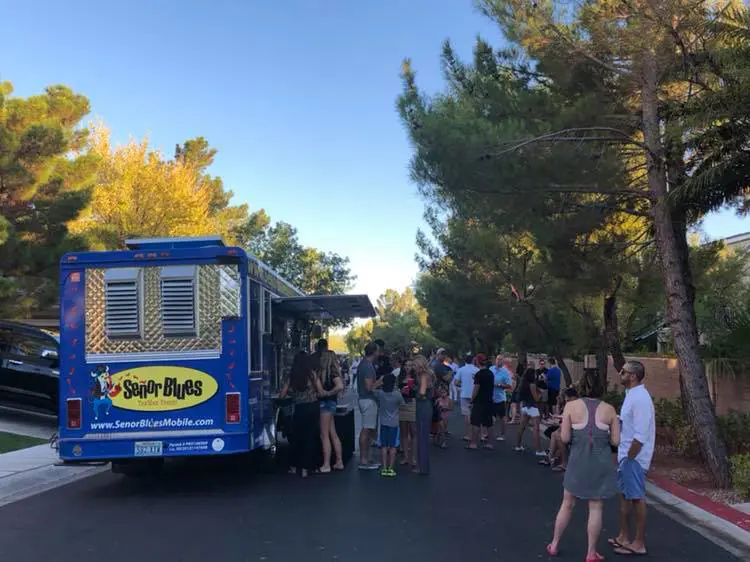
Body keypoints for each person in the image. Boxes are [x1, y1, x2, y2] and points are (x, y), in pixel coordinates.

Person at [547, 384, 620, 560]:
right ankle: (591, 552)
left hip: (577, 461)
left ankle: (554, 544)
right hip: (600, 463)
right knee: (596, 506)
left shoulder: (571, 407)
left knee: (567, 503)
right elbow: (616, 441)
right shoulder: (610, 410)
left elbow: (565, 438)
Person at [610, 361, 655, 557]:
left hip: (634, 458)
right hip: (626, 456)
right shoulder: (631, 395)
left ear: (633, 376)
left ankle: (638, 543)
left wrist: (629, 458)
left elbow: (640, 436)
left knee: (636, 498)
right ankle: (623, 536)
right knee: (625, 497)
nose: (620, 373)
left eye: (623, 371)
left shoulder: (641, 399)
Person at [279, 351, 323, 478]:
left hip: (299, 409)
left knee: (297, 438)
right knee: (310, 438)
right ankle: (305, 469)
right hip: (313, 407)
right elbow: (320, 391)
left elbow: (282, 394)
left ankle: (294, 467)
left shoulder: (292, 375)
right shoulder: (312, 374)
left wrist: (291, 394)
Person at [317, 348, 345, 473]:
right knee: (332, 433)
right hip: (331, 403)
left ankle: (326, 464)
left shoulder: (329, 373)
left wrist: (328, 393)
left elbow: (340, 386)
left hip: (325, 404)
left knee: (324, 435)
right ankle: (339, 461)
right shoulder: (333, 371)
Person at [539, 387, 579, 471]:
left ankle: (564, 463)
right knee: (555, 433)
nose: (567, 402)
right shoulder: (571, 405)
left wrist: (559, 422)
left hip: (578, 432)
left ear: (573, 397)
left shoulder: (578, 406)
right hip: (572, 429)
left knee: (559, 434)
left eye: (568, 400)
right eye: (566, 400)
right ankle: (551, 457)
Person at [374, 373, 405, 477]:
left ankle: (384, 467)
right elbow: (403, 404)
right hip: (394, 423)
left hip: (383, 423)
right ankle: (390, 468)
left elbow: (371, 389)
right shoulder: (397, 395)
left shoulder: (380, 393)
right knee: (393, 446)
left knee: (384, 445)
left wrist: (379, 382)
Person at [356, 342, 380, 470]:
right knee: (366, 429)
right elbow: (369, 387)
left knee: (368, 430)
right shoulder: (367, 366)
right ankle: (363, 460)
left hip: (365, 399)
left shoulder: (364, 364)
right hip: (368, 400)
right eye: (378, 351)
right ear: (374, 352)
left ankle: (366, 458)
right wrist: (381, 381)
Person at [514, 360, 545, 457]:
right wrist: (540, 395)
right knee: (536, 429)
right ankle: (538, 450)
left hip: (525, 406)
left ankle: (518, 445)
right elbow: (536, 398)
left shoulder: (523, 383)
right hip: (533, 407)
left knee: (522, 427)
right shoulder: (532, 384)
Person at [412, 355, 435, 475]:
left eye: (415, 366)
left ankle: (422, 467)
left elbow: (422, 392)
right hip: (426, 405)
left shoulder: (423, 375)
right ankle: (423, 466)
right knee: (422, 436)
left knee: (422, 436)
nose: (413, 368)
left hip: (423, 405)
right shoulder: (429, 374)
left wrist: (414, 390)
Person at [467, 354, 495, 450]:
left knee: (475, 422)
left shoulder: (479, 374)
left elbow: (476, 389)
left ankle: (473, 443)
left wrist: (471, 400)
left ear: (478, 361)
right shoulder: (490, 373)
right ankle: (490, 443)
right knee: (489, 423)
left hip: (479, 401)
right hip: (489, 400)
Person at [398, 357, 418, 468]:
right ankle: (406, 457)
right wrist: (400, 390)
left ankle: (414, 458)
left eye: (410, 365)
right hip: (402, 404)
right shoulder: (400, 378)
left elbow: (420, 391)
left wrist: (413, 387)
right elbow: (395, 390)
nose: (408, 367)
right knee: (404, 433)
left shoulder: (416, 378)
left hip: (412, 403)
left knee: (414, 432)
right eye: (406, 365)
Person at [454, 354, 479, 440]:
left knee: (466, 414)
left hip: (464, 394)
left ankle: (468, 434)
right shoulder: (477, 370)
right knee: (475, 414)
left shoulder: (461, 370)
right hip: (475, 394)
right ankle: (476, 434)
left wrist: (463, 385)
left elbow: (456, 382)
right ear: (473, 360)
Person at [490, 355, 513, 441]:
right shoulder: (491, 369)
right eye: (498, 359)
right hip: (490, 397)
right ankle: (488, 433)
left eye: (501, 360)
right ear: (495, 360)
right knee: (490, 416)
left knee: (502, 417)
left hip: (500, 398)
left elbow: (509, 385)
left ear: (503, 362)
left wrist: (500, 385)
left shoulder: (505, 372)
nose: (499, 361)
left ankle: (503, 434)